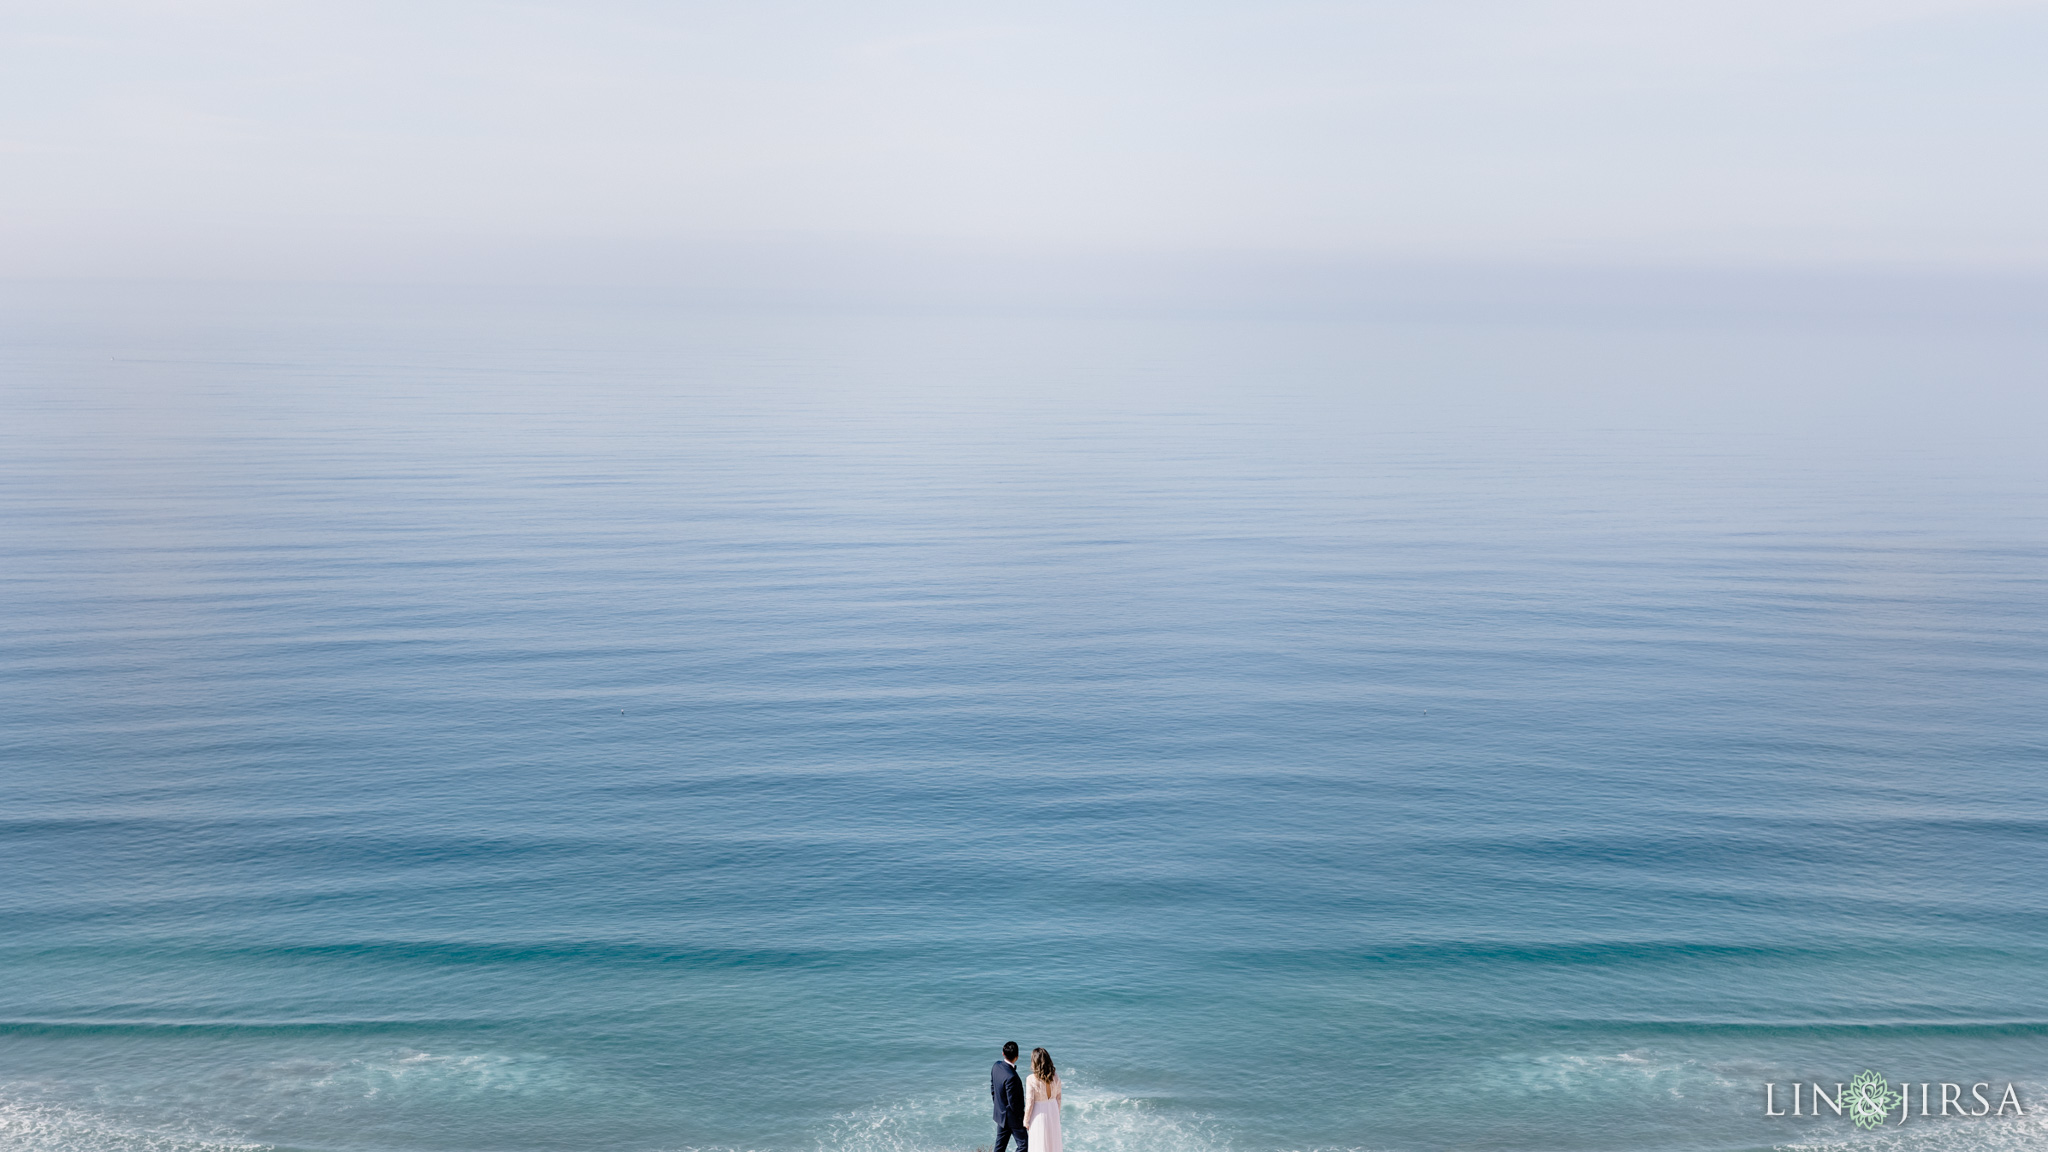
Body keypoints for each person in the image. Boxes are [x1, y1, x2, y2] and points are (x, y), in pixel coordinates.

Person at [1023, 1047, 1062, 1152]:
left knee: (1039, 1142)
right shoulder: (1055, 1076)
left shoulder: (1031, 1079)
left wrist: (1026, 1121)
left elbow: (1030, 1101)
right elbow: (1059, 1097)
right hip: (1053, 1110)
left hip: (1039, 1112)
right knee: (1053, 1143)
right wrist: (1056, 1113)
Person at [991, 1041, 1027, 1152]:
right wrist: (1023, 1118)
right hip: (1012, 1119)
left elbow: (993, 1089)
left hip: (1000, 1114)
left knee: (1000, 1147)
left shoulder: (996, 1066)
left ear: (1003, 1053)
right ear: (1017, 1056)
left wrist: (999, 1106)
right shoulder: (1012, 1077)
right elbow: (1014, 1103)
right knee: (1024, 1146)